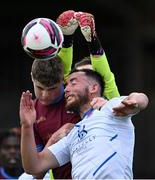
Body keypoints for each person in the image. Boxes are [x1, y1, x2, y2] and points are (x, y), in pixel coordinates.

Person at [20, 10, 120, 179]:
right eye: (40, 88)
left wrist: (91, 41)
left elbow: (108, 83)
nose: (45, 95)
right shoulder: (31, 112)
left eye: (51, 89)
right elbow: (36, 170)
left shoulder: (89, 103)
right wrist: (30, 128)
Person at [19, 68, 149, 179]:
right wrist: (27, 125)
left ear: (93, 88)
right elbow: (34, 167)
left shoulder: (109, 109)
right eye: (66, 85)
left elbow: (142, 99)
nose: (66, 89)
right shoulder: (72, 135)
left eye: (73, 83)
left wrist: (135, 101)